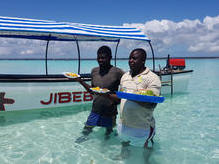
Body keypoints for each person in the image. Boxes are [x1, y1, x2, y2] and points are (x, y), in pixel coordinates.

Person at [74, 45, 124, 142]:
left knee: (108, 138)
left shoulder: (117, 72)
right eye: (99, 57)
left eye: (103, 58)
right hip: (95, 110)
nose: (100, 60)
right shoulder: (94, 71)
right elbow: (93, 90)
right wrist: (80, 81)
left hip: (110, 113)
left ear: (110, 58)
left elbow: (123, 92)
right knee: (85, 132)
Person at [117, 48, 161, 148]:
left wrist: (132, 97)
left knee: (145, 151)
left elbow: (152, 104)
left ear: (143, 61)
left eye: (134, 58)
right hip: (123, 124)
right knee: (124, 146)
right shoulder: (125, 76)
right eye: (130, 58)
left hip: (142, 127)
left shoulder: (152, 78)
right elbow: (121, 96)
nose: (131, 60)